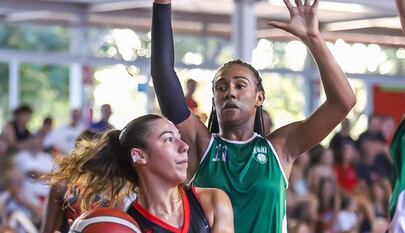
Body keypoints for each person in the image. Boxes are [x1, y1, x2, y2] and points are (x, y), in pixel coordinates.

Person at [151, 0, 356, 232]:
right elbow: (163, 75)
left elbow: (343, 103)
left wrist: (313, 39)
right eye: (221, 87)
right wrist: (162, 4)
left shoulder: (280, 148)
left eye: (240, 85)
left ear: (259, 98)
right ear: (214, 99)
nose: (230, 92)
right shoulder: (202, 144)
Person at [45, 114, 234, 233]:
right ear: (139, 156)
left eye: (179, 137)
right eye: (169, 139)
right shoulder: (125, 226)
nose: (184, 147)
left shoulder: (214, 202)